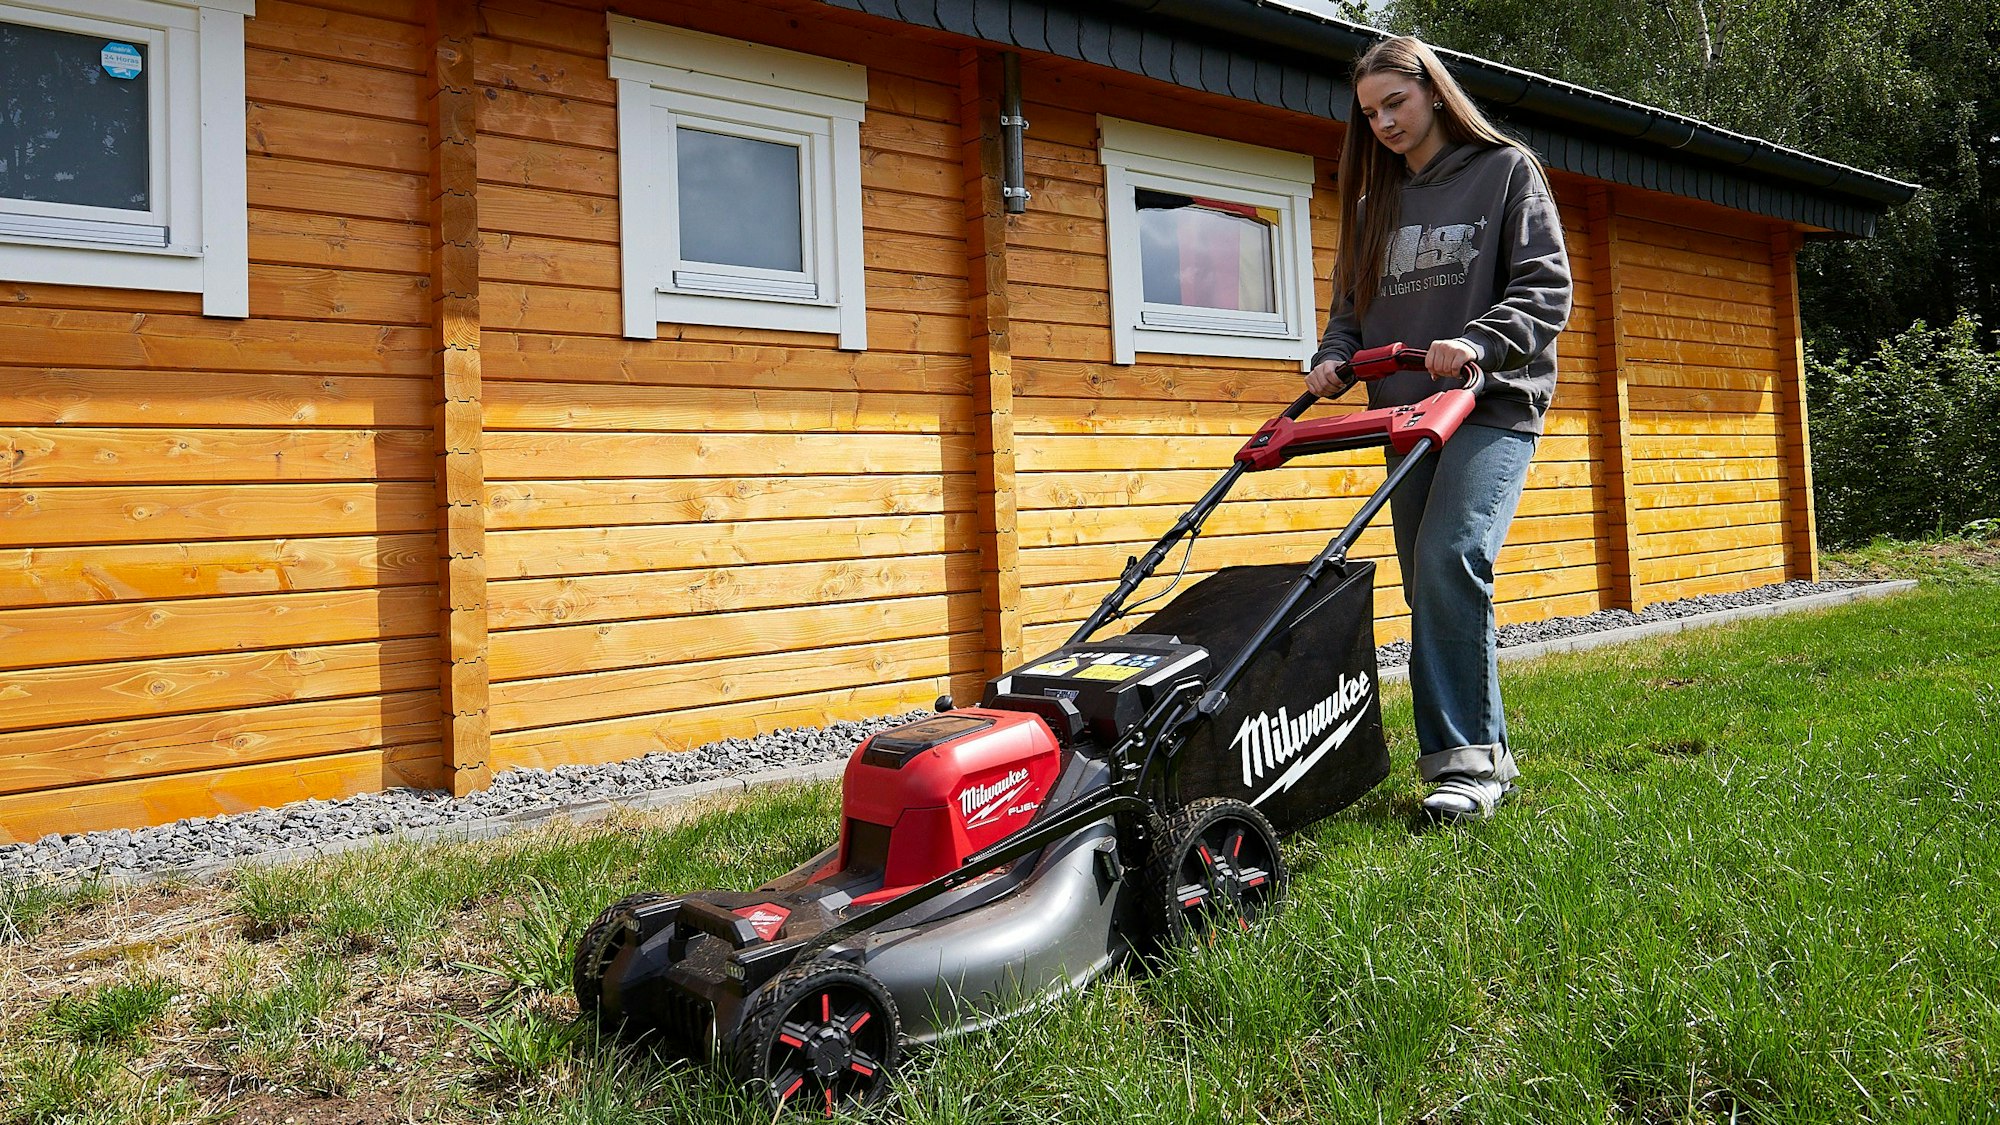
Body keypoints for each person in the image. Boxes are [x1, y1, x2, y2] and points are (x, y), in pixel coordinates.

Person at [1306, 35, 1573, 823]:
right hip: (1406, 413)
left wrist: (1480, 339)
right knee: (1430, 580)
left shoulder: (1504, 173)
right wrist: (1331, 359)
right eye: (1370, 112)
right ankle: (1482, 749)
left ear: (1434, 94)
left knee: (1453, 554)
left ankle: (1463, 767)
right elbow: (1347, 316)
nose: (1384, 122)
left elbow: (1546, 286)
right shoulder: (1370, 206)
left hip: (1490, 402)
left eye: (1397, 102)